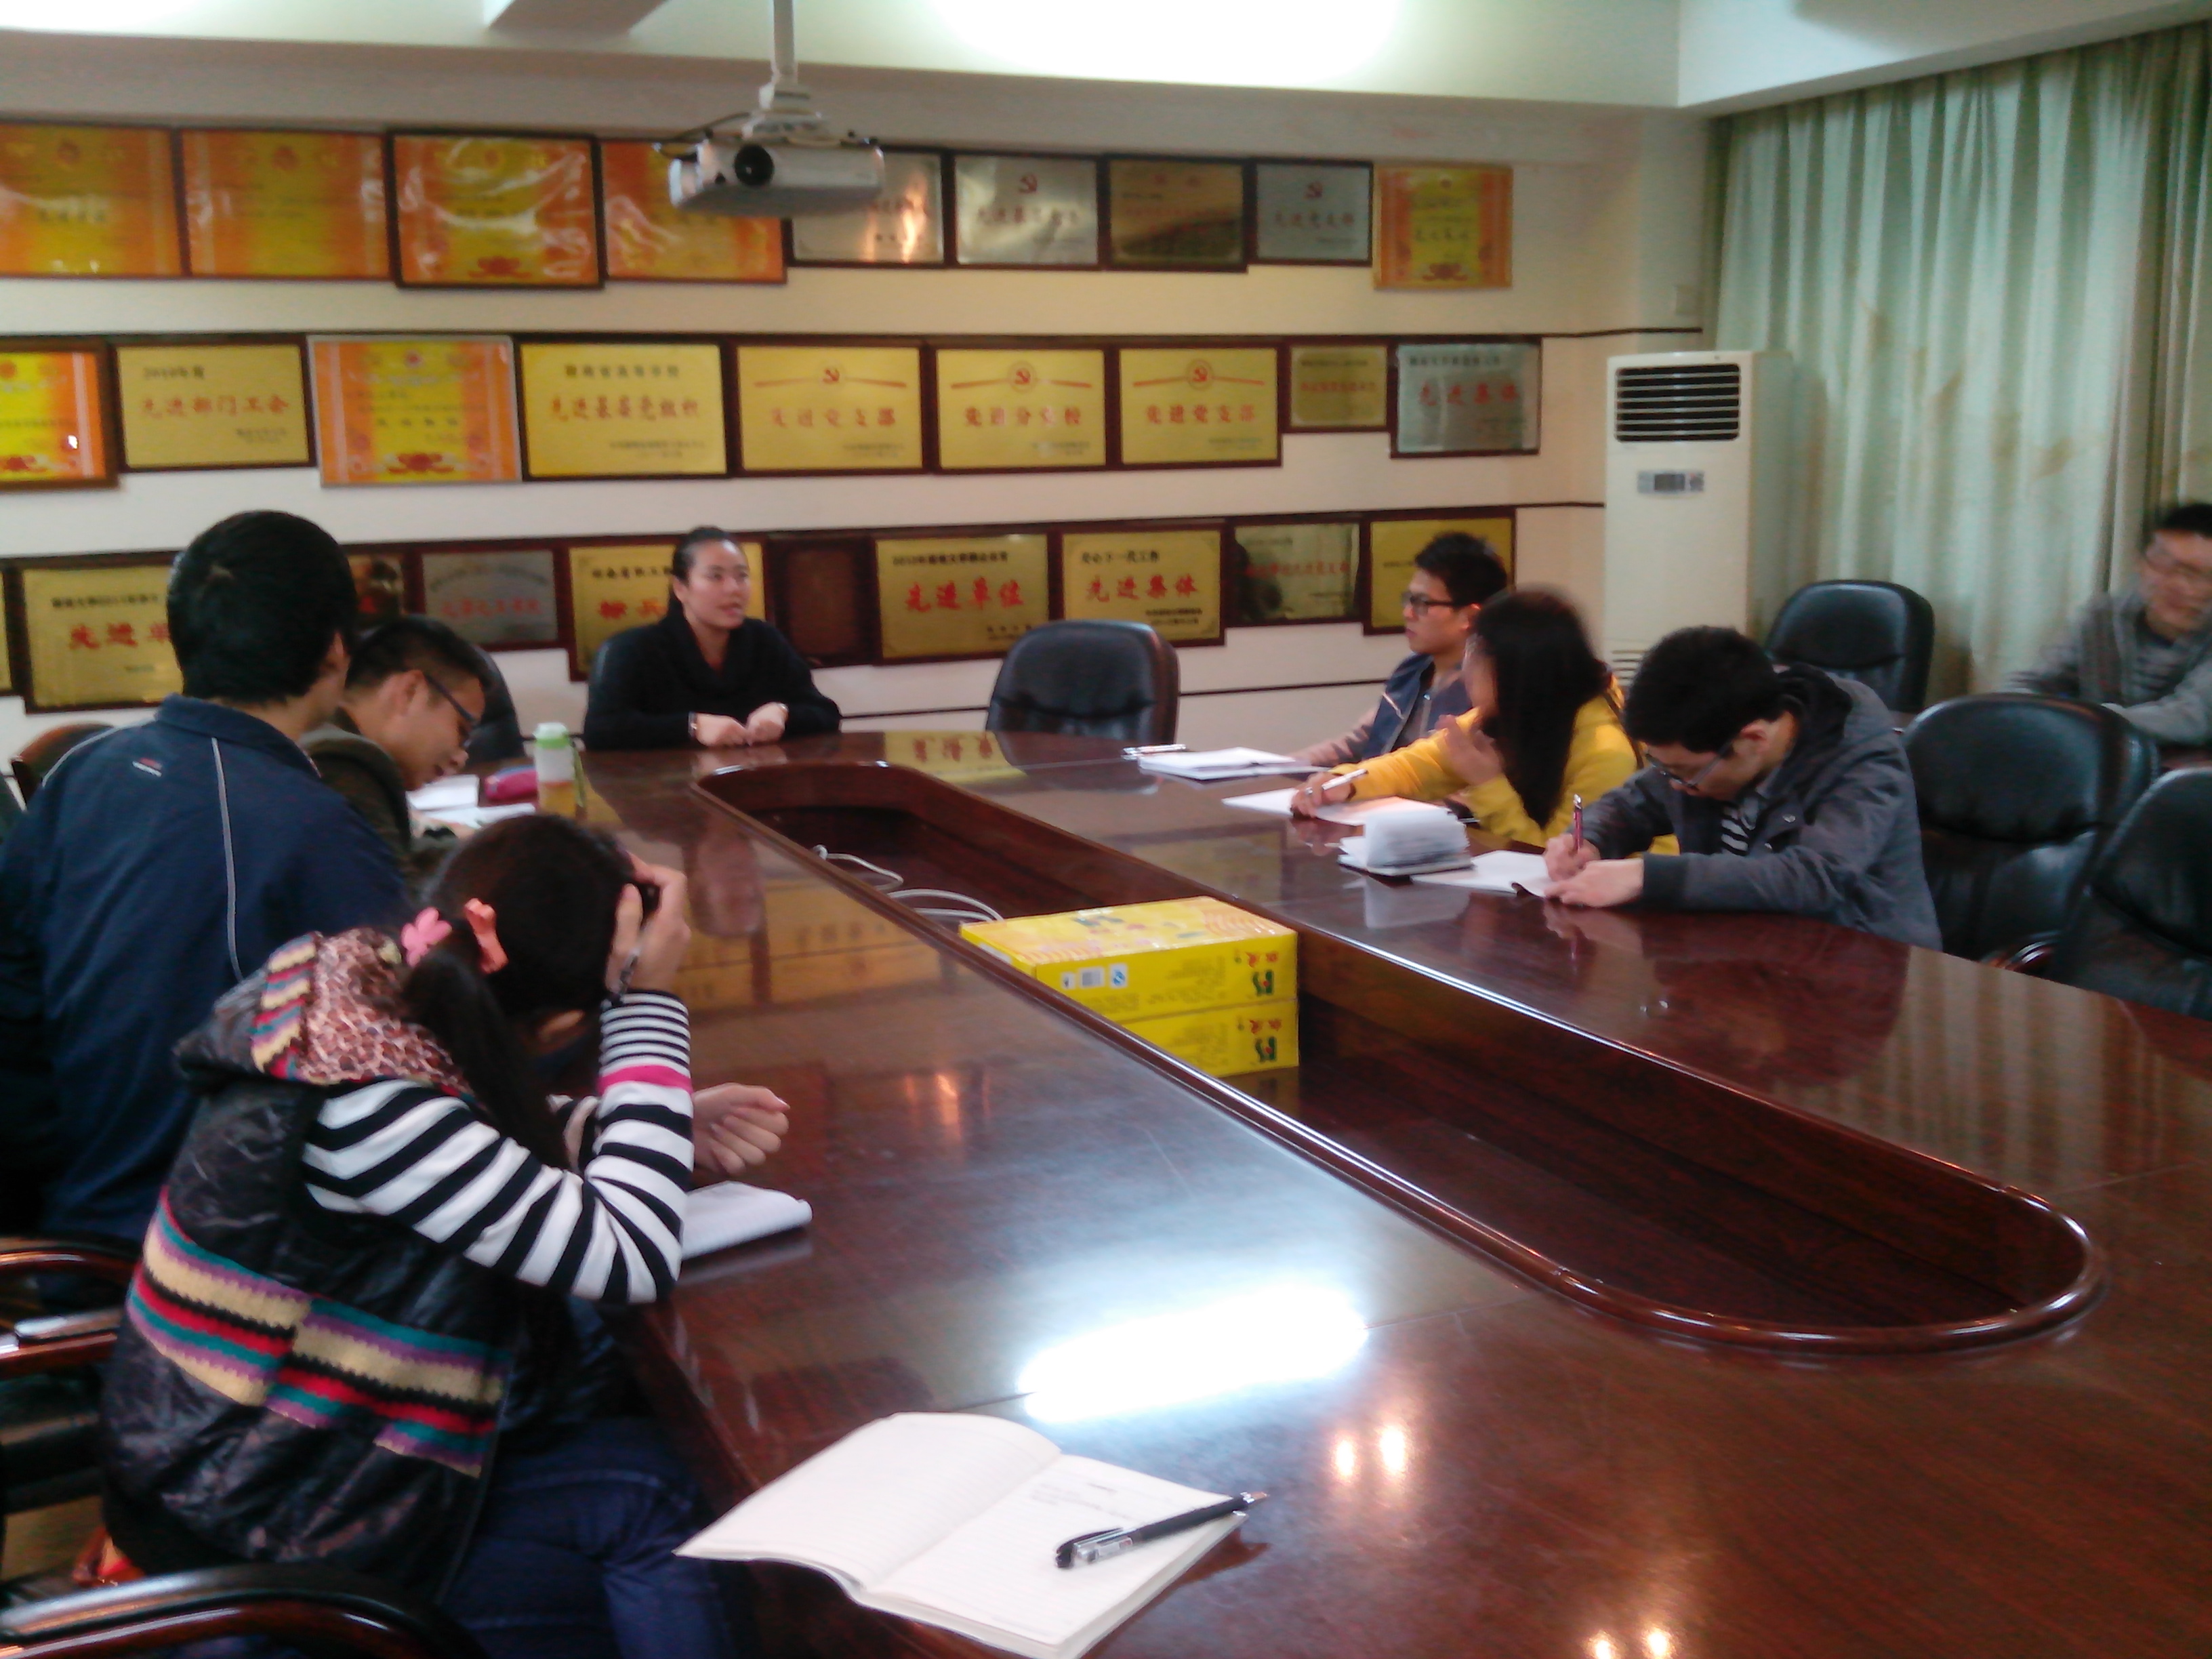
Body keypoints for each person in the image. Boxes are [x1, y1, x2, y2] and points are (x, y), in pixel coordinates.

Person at [98, 815, 791, 1659]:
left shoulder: (358, 985)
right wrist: (645, 1009)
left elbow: (454, 1131)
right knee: (660, 1496)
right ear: (555, 1026)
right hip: (266, 1526)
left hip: (247, 1460)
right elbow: (630, 1255)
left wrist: (631, 1124)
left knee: (623, 1415)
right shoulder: (363, 1101)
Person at [0, 511, 405, 1246]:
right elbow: (411, 1058)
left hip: (64, 1217)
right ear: (335, 649)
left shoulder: (84, 773)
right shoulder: (312, 829)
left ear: (179, 637)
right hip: (203, 1258)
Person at [1544, 626, 1941, 948]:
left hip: (1859, 966)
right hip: (1740, 949)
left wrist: (1648, 877)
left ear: (1754, 740)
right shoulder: (1709, 731)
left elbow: (1816, 877)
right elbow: (1636, 801)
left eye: (1685, 772)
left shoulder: (1862, 759)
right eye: (1663, 767)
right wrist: (1590, 838)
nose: (1675, 785)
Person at [1291, 590, 1646, 845]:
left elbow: (1555, 857)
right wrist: (1344, 782)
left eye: (1473, 661)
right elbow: (1413, 768)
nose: (1465, 675)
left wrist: (1486, 782)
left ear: (1513, 674)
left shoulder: (1604, 752)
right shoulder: (1507, 716)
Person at [583, 529, 839, 752]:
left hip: (755, 780)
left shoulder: (765, 640)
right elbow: (601, 730)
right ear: (681, 588)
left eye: (741, 576)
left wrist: (783, 713)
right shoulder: (633, 649)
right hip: (668, 786)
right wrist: (692, 726)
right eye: (715, 576)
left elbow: (825, 712)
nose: (733, 588)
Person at [1290, 533, 1509, 766]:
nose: (1408, 613)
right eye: (1409, 599)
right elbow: (1357, 744)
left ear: (1470, 616)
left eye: (1422, 603)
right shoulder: (1412, 670)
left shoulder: (1491, 689)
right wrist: (1278, 766)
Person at [2008, 502, 2212, 744]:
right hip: (2093, 752)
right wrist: (2013, 709)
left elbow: (2191, 719)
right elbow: (2035, 683)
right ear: (2141, 563)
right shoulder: (2102, 617)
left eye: (2199, 575)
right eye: (2166, 566)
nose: (2179, 585)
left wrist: (2079, 720)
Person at [305, 616, 491, 877]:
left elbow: (405, 854)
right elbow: (398, 895)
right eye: (462, 730)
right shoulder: (342, 760)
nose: (460, 757)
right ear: (410, 691)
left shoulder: (329, 737)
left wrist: (491, 850)